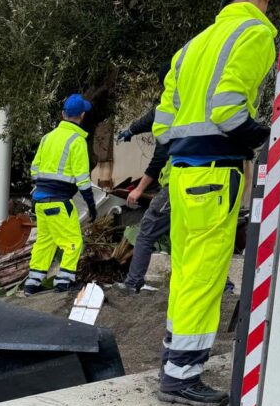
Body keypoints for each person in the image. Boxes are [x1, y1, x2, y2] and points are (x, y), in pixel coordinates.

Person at [152, 0, 277, 406]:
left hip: (181, 177)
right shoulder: (257, 31)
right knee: (205, 277)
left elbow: (163, 127)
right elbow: (228, 109)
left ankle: (173, 362)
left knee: (186, 273)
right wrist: (268, 135)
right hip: (215, 174)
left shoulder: (191, 46)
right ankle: (182, 378)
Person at [23, 93, 97, 297]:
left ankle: (32, 283)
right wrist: (91, 206)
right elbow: (83, 180)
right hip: (59, 201)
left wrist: (46, 184)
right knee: (73, 242)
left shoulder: (47, 138)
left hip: (40, 200)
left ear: (63, 113)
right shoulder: (77, 141)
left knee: (45, 242)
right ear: (82, 115)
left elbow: (34, 169)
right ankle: (64, 282)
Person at [113, 67, 172, 294]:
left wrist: (139, 188)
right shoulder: (194, 101)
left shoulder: (170, 107)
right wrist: (132, 130)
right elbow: (152, 117)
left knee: (147, 230)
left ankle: (133, 282)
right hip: (205, 181)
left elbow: (160, 156)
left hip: (176, 183)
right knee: (190, 235)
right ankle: (223, 286)